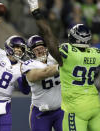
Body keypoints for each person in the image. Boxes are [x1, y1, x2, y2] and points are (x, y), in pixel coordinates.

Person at [27, 0, 100, 130]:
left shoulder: (67, 54)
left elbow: (48, 34)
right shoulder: (96, 53)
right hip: (95, 104)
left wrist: (36, 11)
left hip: (76, 107)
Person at [21, 35, 63, 131]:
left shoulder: (54, 58)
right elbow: (33, 76)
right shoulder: (29, 64)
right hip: (40, 112)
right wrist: (58, 67)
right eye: (36, 50)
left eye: (42, 48)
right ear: (30, 52)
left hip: (60, 110)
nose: (40, 51)